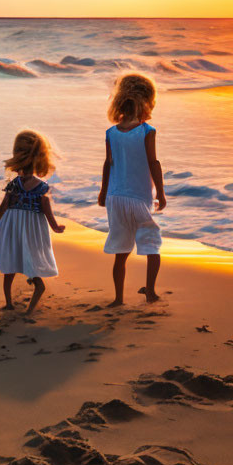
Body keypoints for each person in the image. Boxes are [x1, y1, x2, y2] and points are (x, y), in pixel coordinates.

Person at [97, 73, 166, 306]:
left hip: (116, 198)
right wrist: (162, 193)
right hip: (139, 198)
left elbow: (108, 163)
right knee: (151, 244)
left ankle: (118, 298)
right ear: (146, 102)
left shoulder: (111, 132)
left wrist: (103, 192)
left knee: (121, 250)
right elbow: (153, 163)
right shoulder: (147, 131)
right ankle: (150, 292)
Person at [0, 130, 65, 315]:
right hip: (31, 227)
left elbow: (4, 205)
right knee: (27, 260)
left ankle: (9, 303)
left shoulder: (16, 184)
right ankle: (24, 302)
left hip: (13, 224)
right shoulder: (40, 186)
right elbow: (46, 209)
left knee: (10, 263)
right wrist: (55, 227)